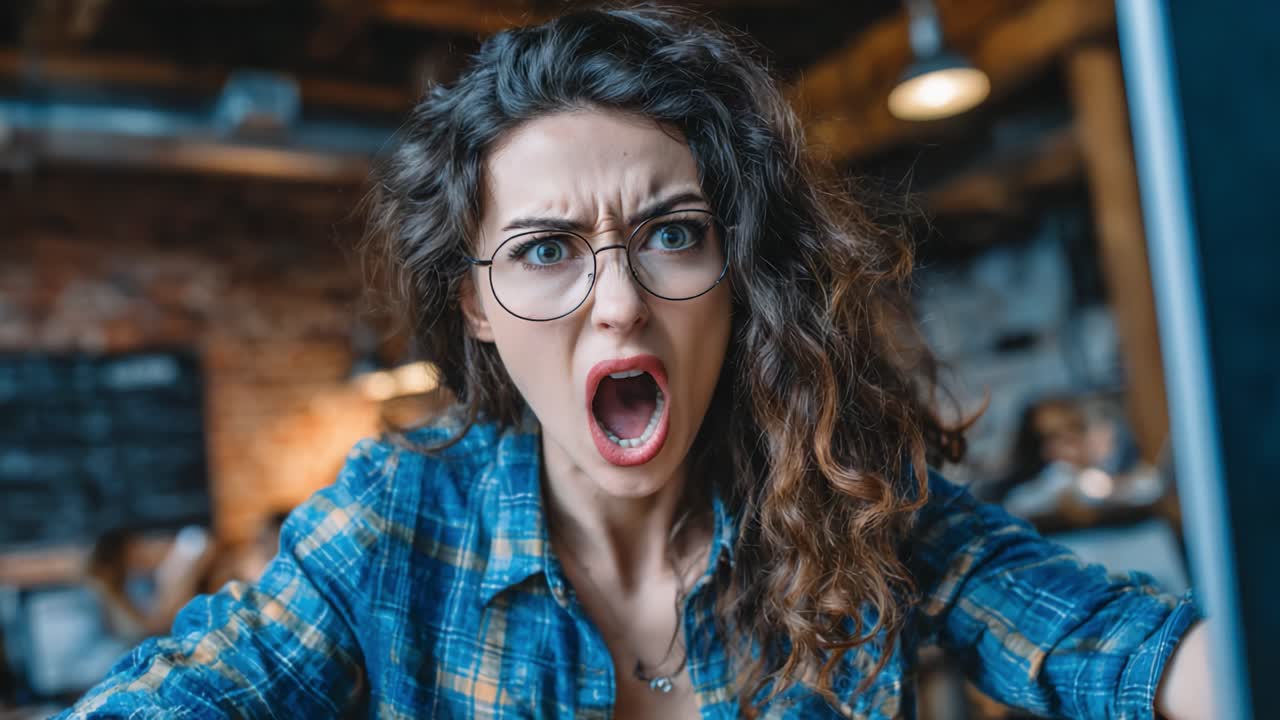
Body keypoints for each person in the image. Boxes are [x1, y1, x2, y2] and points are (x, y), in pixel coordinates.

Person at [57, 6, 1212, 719]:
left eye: (671, 234)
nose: (618, 305)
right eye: (545, 251)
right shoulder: (397, 524)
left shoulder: (848, 506)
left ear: (738, 269)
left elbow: (1128, 650)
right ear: (479, 309)